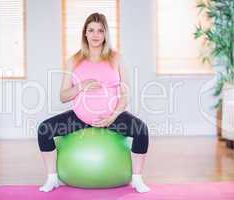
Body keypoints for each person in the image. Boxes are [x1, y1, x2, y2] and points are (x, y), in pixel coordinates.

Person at [38, 12, 150, 193]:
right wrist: (81, 85)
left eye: (100, 30)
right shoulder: (74, 60)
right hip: (80, 117)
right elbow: (63, 96)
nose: (95, 35)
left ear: (106, 34)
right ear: (85, 33)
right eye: (91, 30)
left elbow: (125, 94)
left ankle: (137, 179)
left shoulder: (117, 58)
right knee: (44, 130)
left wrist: (113, 116)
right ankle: (52, 178)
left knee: (141, 130)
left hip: (112, 117)